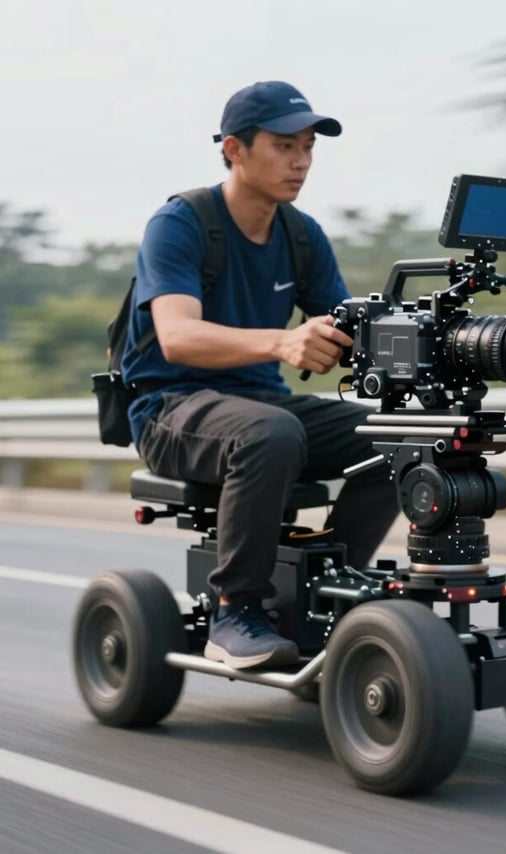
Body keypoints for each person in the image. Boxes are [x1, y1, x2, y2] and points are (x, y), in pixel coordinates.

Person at [122, 80, 400, 670]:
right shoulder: (181, 223)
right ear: (234, 149)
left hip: (264, 406)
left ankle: (332, 593)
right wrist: (283, 341)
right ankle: (235, 610)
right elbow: (177, 337)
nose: (300, 162)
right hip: (173, 408)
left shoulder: (301, 235)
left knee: (400, 439)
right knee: (270, 433)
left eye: (307, 147)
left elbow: (343, 329)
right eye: (283, 146)